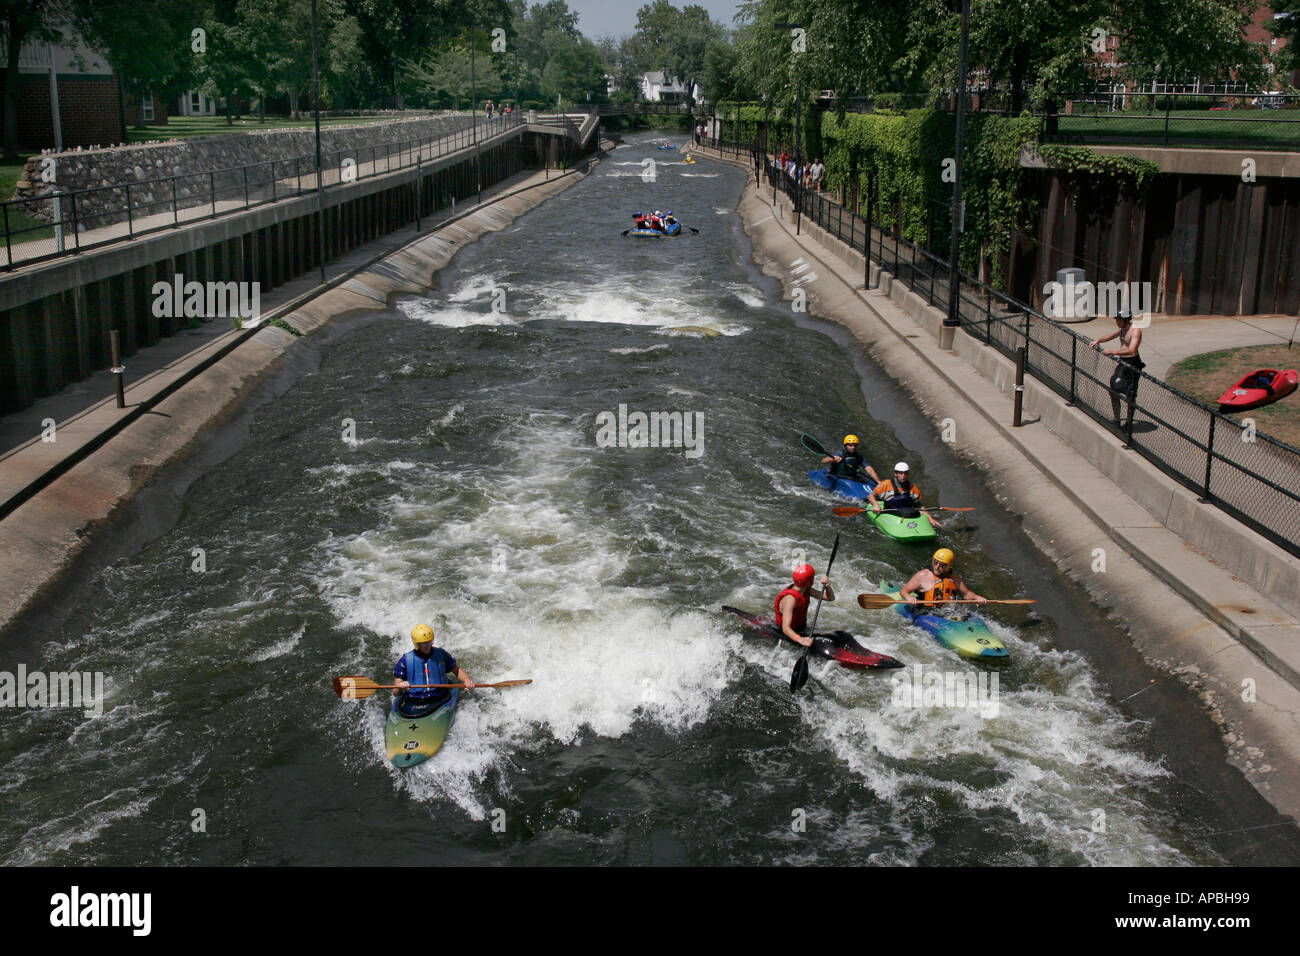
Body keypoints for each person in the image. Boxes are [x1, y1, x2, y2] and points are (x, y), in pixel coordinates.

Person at [393, 623, 475, 717]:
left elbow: (457, 670)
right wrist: (400, 686)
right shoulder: (405, 660)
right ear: (417, 644)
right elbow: (395, 692)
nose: (428, 645)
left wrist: (467, 680)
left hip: (440, 698)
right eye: (424, 643)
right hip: (414, 700)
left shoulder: (441, 654)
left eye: (430, 642)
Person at [1088, 308, 1145, 430]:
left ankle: (1129, 422)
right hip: (1123, 362)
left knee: (1130, 394)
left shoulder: (1135, 331)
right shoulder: (1122, 329)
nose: (1116, 322)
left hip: (1132, 364)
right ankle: (1116, 419)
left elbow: (1132, 350)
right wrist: (1098, 340)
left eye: (1118, 320)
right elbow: (1111, 335)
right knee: (1113, 389)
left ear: (1125, 320)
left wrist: (1113, 352)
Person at [899, 548, 986, 612]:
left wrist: (976, 597)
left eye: (942, 565)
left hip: (946, 611)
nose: (937, 566)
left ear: (949, 565)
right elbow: (904, 590)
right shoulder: (923, 575)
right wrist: (908, 597)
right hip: (925, 612)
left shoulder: (953, 576)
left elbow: (966, 594)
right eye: (935, 562)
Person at [774, 563, 835, 647]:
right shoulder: (790, 600)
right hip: (789, 633)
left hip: (801, 629)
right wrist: (801, 640)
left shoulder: (807, 590)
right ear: (810, 581)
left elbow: (830, 598)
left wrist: (827, 586)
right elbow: (786, 628)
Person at [869, 462, 942, 528]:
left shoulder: (913, 488)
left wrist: (930, 519)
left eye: (905, 473)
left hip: (907, 512)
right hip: (890, 512)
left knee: (912, 512)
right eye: (900, 473)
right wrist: (875, 504)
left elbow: (919, 506)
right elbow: (870, 496)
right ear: (895, 474)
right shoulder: (885, 484)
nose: (903, 476)